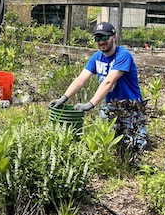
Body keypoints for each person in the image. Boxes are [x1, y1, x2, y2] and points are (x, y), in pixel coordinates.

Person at [49, 21, 147, 149]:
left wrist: (90, 104)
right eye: (98, 38)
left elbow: (109, 82)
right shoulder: (96, 57)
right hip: (111, 106)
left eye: (105, 37)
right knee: (102, 142)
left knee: (136, 146)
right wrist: (64, 98)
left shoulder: (123, 55)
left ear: (114, 37)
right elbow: (81, 79)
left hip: (131, 107)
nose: (101, 42)